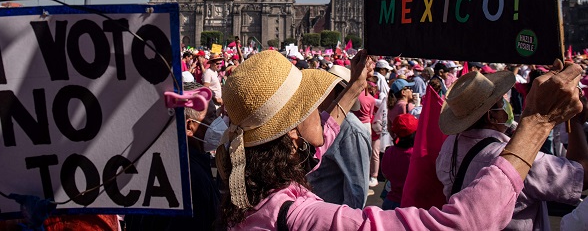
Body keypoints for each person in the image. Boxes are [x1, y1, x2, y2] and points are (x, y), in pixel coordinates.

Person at [217, 49, 584, 231]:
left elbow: (319, 141)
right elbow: (461, 224)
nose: (321, 107)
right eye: (311, 104)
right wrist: (536, 123)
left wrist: (352, 91)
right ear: (293, 133)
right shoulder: (304, 218)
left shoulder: (255, 191)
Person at [436, 66, 588, 231]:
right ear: (491, 115)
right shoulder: (516, 159)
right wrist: (576, 123)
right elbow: (580, 177)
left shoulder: (448, 146)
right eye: (502, 102)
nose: (507, 106)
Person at [126, 82, 221, 231]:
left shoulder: (155, 161)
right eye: (211, 117)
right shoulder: (190, 179)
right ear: (189, 126)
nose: (217, 122)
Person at [307, 65, 371, 209]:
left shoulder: (352, 131)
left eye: (326, 87)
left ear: (337, 93)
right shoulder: (318, 118)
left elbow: (356, 190)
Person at [381, 113, 417, 210]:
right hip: (409, 205)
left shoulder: (389, 152)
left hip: (390, 201)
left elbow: (385, 174)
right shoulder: (417, 156)